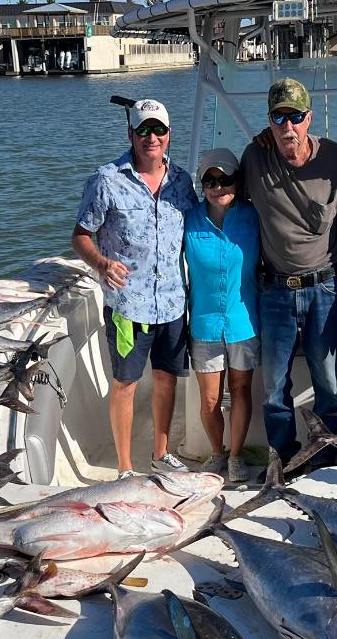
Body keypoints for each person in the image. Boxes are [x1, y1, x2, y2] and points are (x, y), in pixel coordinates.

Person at [72, 98, 197, 477]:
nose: (151, 137)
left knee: (165, 377)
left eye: (158, 129)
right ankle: (125, 468)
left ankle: (160, 454)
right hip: (128, 306)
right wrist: (102, 263)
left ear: (169, 135)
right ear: (131, 134)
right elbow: (81, 235)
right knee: (125, 383)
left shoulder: (181, 181)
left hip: (173, 303)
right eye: (143, 129)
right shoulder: (106, 179)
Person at [241, 77, 337, 466]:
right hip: (274, 293)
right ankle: (284, 461)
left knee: (329, 384)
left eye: (296, 116)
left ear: (309, 118)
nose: (288, 126)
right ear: (269, 121)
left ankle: (328, 458)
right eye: (278, 117)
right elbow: (223, 200)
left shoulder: (335, 159)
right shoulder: (255, 157)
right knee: (273, 390)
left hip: (325, 289)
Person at [183, 147, 261, 485]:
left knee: (241, 390)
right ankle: (217, 451)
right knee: (210, 399)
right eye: (210, 180)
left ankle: (236, 455)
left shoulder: (253, 216)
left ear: (237, 180)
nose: (218, 186)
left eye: (225, 178)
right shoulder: (189, 219)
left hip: (244, 320)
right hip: (204, 323)